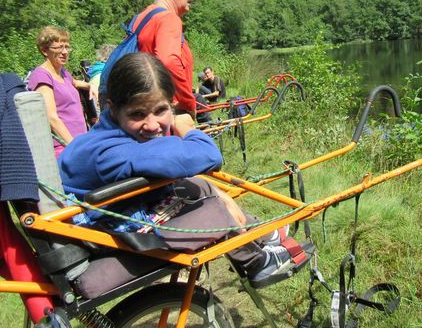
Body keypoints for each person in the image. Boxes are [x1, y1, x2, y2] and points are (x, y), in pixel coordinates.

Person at [58, 53, 310, 288]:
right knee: (212, 204)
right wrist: (186, 127)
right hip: (100, 235)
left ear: (171, 103)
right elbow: (210, 155)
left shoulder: (102, 135)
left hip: (102, 214)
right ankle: (257, 261)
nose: (152, 124)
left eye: (160, 110)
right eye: (137, 114)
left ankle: (263, 234)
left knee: (199, 186)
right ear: (112, 108)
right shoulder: (114, 152)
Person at [130, 0, 206, 118]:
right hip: (166, 112)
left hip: (143, 110)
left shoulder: (141, 18)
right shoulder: (168, 18)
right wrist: (188, 103)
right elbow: (169, 61)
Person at [28, 27, 94, 157]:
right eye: (59, 48)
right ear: (44, 50)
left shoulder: (63, 72)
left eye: (67, 47)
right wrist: (74, 148)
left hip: (79, 141)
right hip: (63, 147)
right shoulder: (42, 76)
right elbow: (51, 117)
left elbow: (74, 83)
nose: (64, 52)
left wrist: (91, 86)